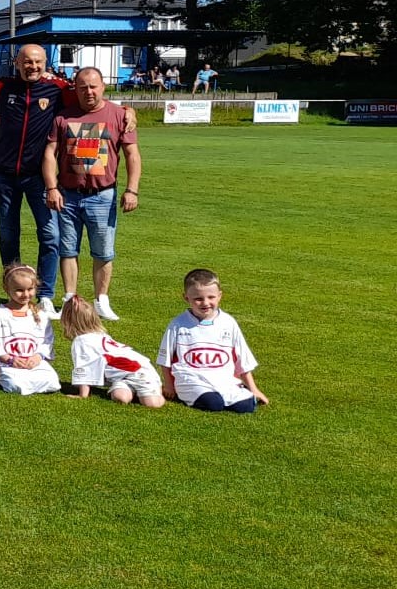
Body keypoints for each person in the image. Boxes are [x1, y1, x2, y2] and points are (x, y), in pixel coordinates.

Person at [0, 44, 72, 308]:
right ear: (17, 63)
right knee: (8, 236)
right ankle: (14, 290)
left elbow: (91, 99)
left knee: (50, 236)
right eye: (27, 62)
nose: (33, 66)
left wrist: (127, 111)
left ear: (45, 63)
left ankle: (45, 295)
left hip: (40, 177)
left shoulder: (58, 89)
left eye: (38, 62)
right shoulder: (1, 86)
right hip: (4, 174)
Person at [43, 66, 140, 321]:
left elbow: (132, 155)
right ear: (75, 89)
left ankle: (101, 300)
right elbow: (50, 154)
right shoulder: (63, 117)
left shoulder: (120, 116)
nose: (89, 91)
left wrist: (132, 190)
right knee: (68, 250)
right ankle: (70, 299)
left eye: (93, 86)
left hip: (102, 195)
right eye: (83, 87)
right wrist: (51, 188)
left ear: (103, 87)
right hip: (68, 195)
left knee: (103, 252)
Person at [157, 268, 266, 413]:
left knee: (246, 406)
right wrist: (169, 386)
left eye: (211, 297)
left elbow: (243, 359)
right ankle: (199, 395)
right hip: (191, 379)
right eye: (198, 299)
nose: (205, 303)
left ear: (219, 296)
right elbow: (165, 359)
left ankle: (238, 390)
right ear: (186, 298)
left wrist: (254, 389)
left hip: (222, 379)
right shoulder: (178, 324)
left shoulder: (228, 322)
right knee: (213, 404)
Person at [61, 296, 163, 407]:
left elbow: (84, 367)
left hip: (140, 371)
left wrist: (82, 395)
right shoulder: (100, 335)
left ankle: (154, 389)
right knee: (120, 397)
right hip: (123, 376)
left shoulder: (81, 341)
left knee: (152, 404)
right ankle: (137, 389)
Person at [0, 264, 61, 395]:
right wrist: (9, 359)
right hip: (8, 363)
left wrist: (38, 357)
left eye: (30, 289)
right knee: (16, 386)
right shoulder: (0, 314)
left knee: (53, 383)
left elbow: (47, 341)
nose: (25, 294)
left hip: (34, 362)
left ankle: (28, 380)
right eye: (19, 290)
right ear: (7, 289)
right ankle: (0, 377)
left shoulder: (41, 315)